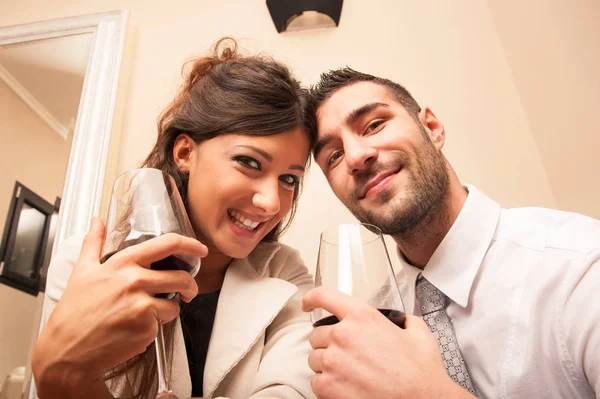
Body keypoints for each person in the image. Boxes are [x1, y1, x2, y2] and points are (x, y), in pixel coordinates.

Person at [31, 38, 317, 399]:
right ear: (185, 153)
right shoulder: (85, 266)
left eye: (289, 179)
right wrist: (57, 370)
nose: (271, 202)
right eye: (249, 162)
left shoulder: (285, 271)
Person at [300, 67, 600, 398]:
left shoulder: (581, 266)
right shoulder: (372, 324)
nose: (356, 157)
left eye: (374, 125)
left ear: (431, 128)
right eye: (334, 156)